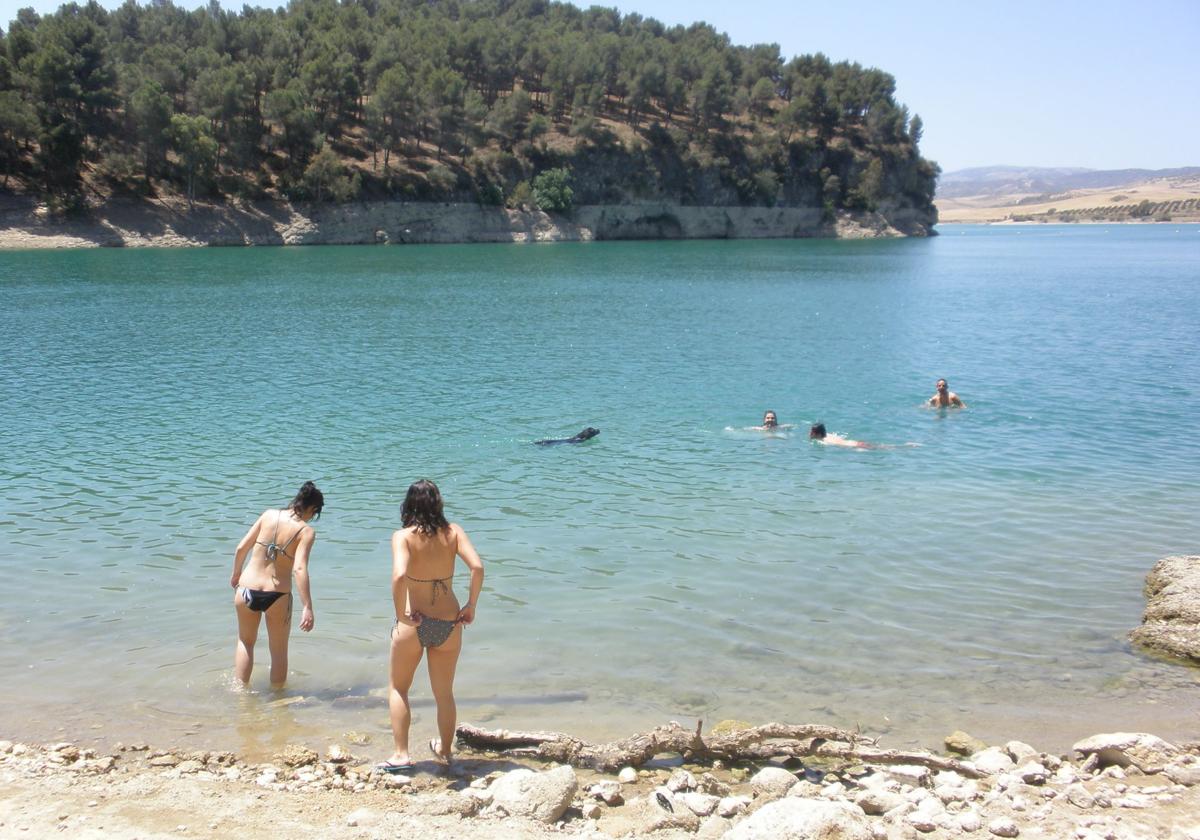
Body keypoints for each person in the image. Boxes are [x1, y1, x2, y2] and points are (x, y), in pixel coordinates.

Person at [381, 479, 484, 773]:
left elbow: (400, 576)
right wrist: (471, 605)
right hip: (449, 623)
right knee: (444, 693)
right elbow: (477, 567)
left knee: (399, 689)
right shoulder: (454, 533)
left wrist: (401, 614)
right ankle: (446, 751)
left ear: (408, 505)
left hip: (415, 622)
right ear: (438, 503)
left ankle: (401, 754)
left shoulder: (402, 537)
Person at [230, 481, 324, 688]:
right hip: (277, 596)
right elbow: (299, 569)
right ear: (312, 509)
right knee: (279, 651)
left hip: (246, 588)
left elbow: (241, 548)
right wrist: (307, 606)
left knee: (245, 642)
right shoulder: (306, 531)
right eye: (314, 514)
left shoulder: (269, 515)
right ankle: (278, 699)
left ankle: (240, 693)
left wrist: (236, 575)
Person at [809, 423, 876, 449]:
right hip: (855, 442)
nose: (810, 434)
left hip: (855, 446)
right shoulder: (828, 435)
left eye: (812, 432)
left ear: (819, 434)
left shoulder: (824, 441)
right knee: (880, 447)